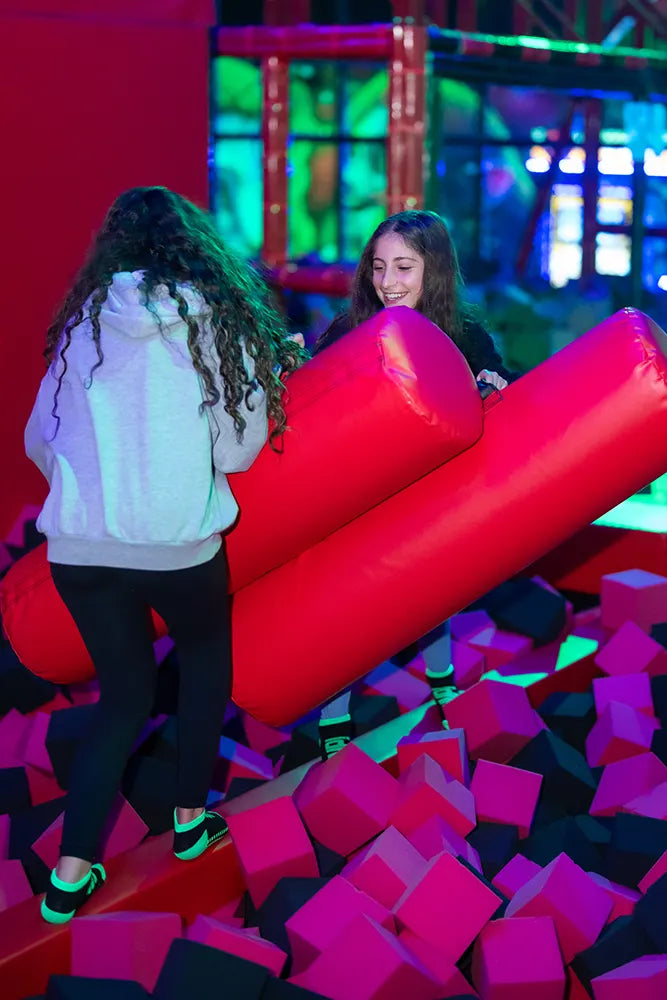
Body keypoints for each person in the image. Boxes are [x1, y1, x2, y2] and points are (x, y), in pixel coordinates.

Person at [26, 186, 306, 923]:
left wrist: (97, 483)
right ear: (195, 246)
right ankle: (189, 822)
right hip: (176, 545)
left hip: (80, 551)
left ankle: (68, 877)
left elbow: (38, 441)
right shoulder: (216, 322)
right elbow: (240, 450)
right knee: (204, 663)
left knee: (121, 698)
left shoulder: (85, 321)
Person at [314, 209, 517, 759]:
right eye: (378, 268)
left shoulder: (464, 334)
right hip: (360, 497)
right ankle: (335, 715)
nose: (387, 284)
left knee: (428, 587)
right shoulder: (352, 328)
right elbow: (311, 395)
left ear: (435, 271)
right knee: (350, 604)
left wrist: (491, 387)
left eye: (404, 268)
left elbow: (500, 392)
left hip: (430, 495)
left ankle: (442, 677)